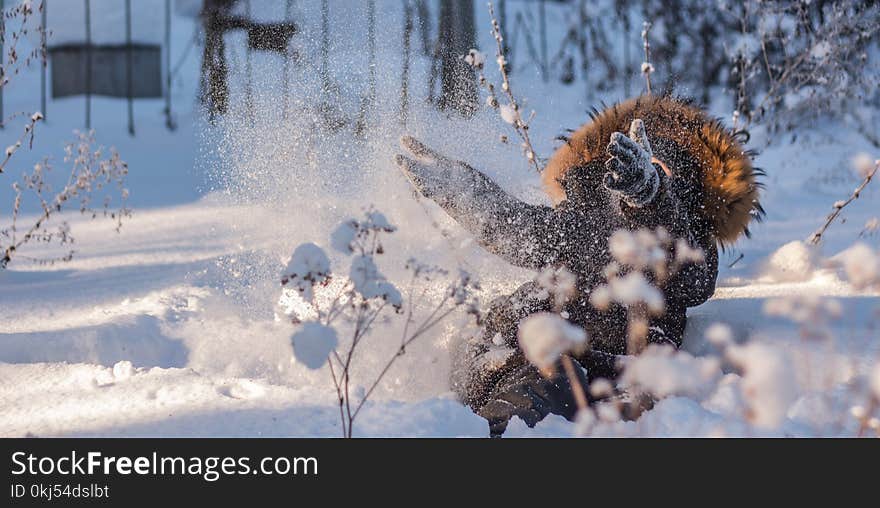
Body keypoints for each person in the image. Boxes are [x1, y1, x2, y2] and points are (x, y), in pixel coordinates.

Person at [394, 95, 763, 436]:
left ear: (683, 187)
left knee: (541, 388)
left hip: (580, 376)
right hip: (500, 351)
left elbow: (695, 281)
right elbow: (525, 232)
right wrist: (466, 192)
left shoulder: (686, 244)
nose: (646, 172)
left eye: (659, 167)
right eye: (637, 161)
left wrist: (653, 198)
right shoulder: (584, 219)